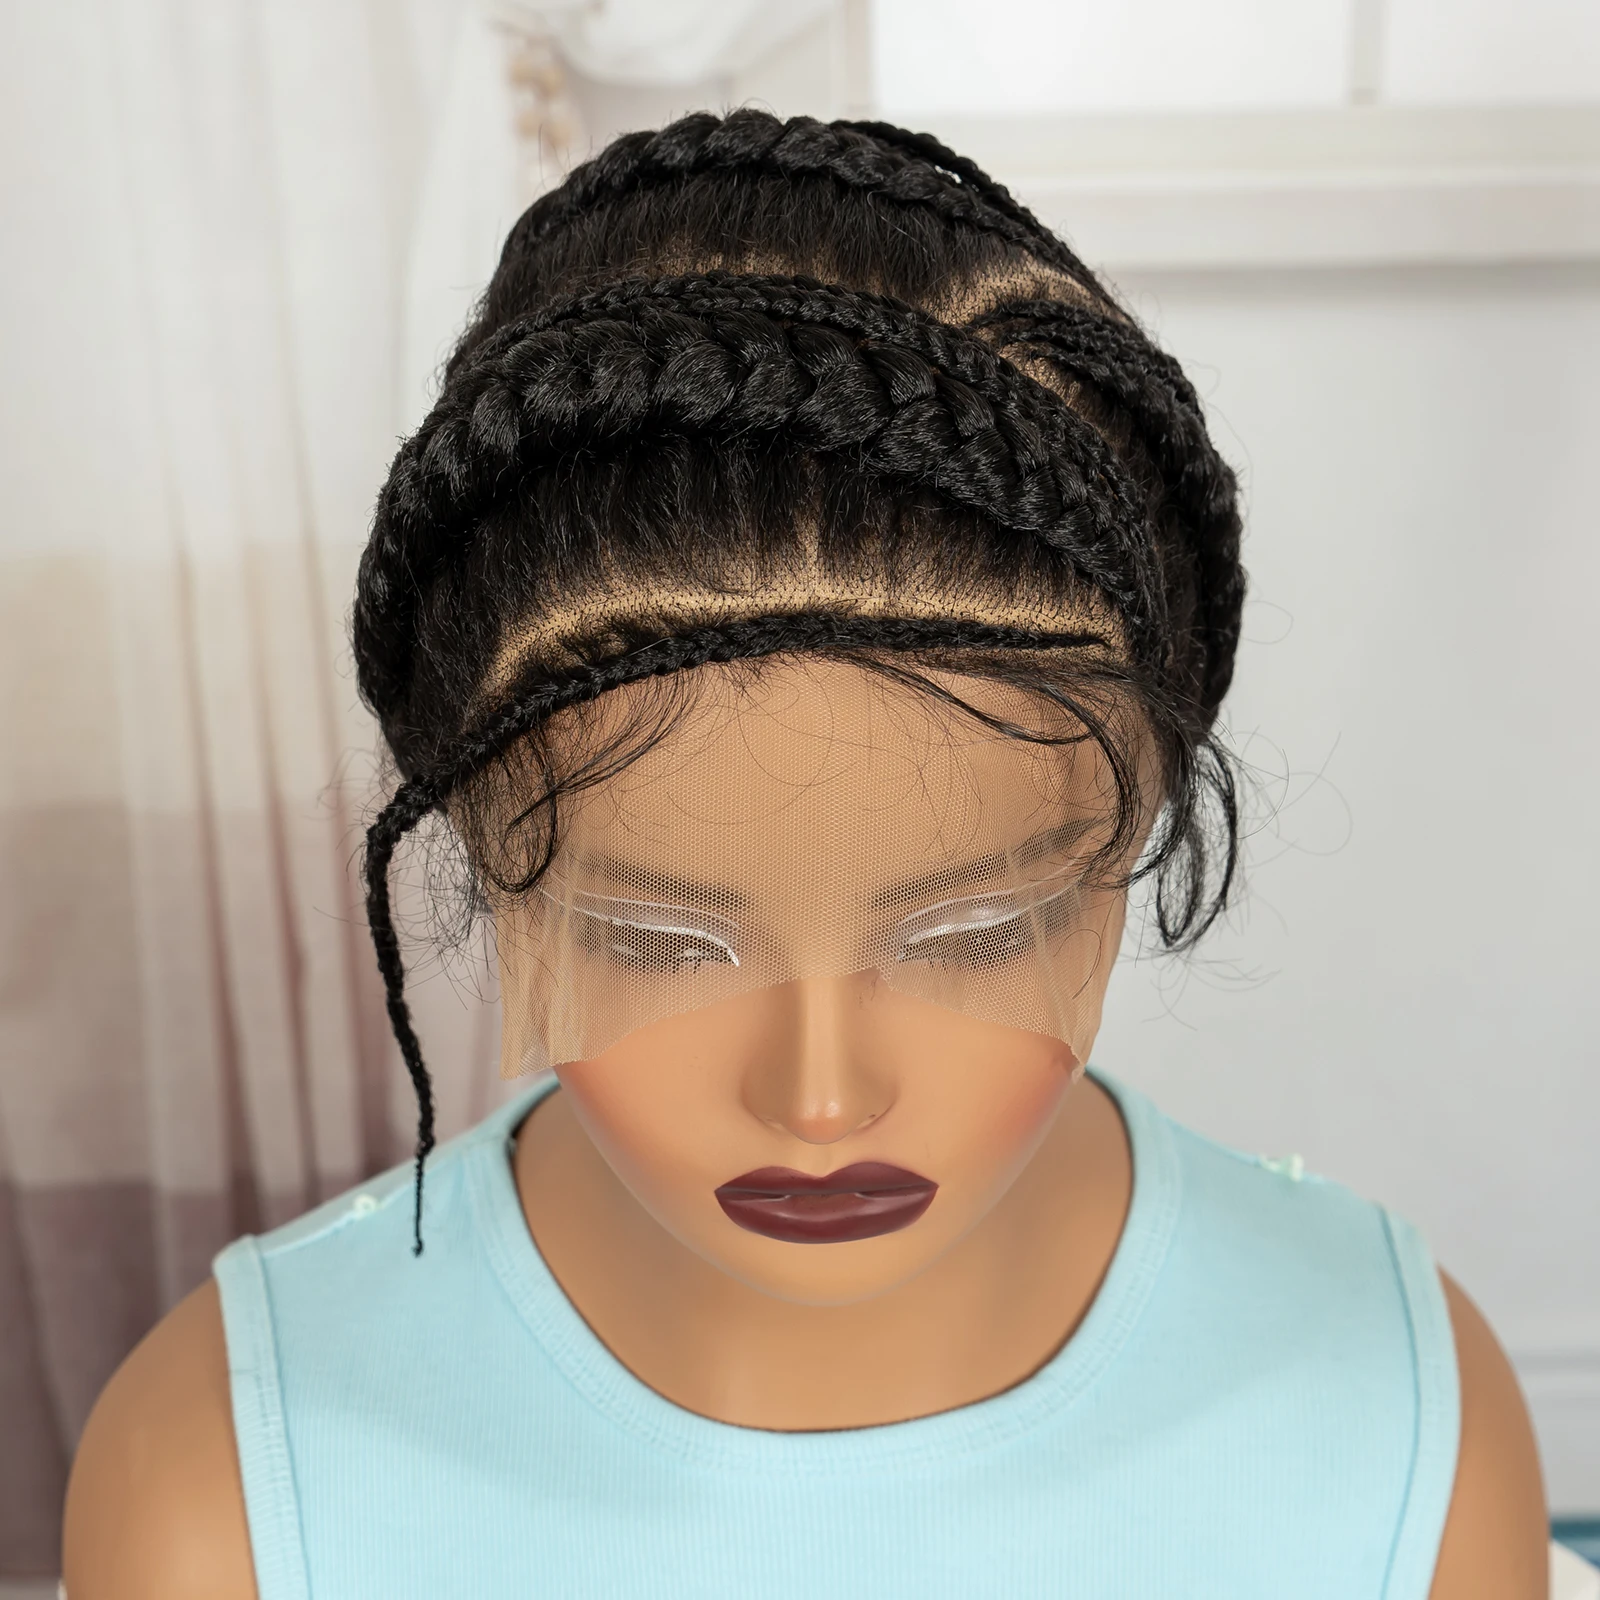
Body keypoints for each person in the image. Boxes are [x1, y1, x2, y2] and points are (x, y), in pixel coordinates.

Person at [62, 111, 1547, 1598]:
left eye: (973, 931)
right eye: (658, 941)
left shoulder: (1399, 1434)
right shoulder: (221, 1494)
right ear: (488, 861)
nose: (822, 1099)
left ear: (1134, 840)